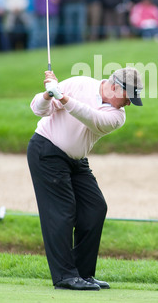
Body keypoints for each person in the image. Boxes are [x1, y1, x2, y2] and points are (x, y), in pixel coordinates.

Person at [27, 67, 143, 291]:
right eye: (129, 97)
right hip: (46, 151)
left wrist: (62, 96)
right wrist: (48, 95)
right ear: (115, 86)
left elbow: (91, 117)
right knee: (62, 211)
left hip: (76, 160)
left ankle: (83, 273)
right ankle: (64, 276)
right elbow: (38, 110)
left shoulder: (117, 116)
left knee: (95, 208)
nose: (129, 103)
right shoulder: (80, 84)